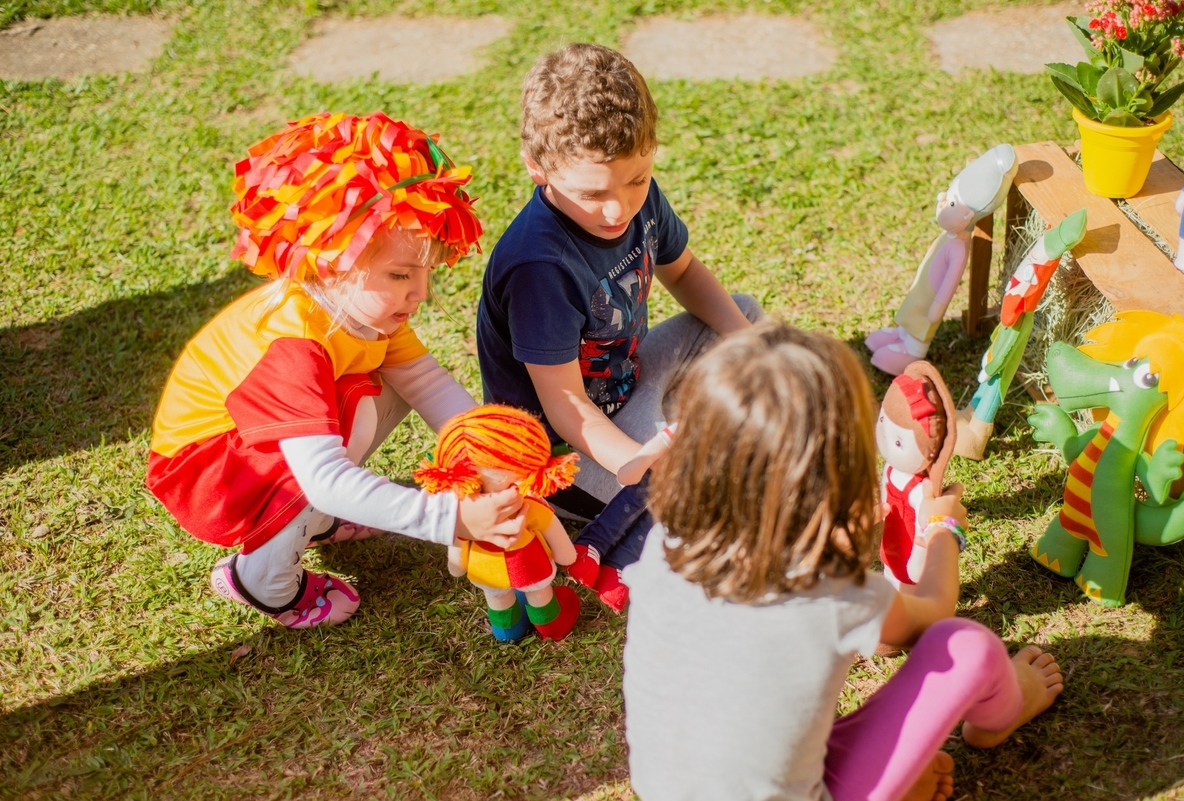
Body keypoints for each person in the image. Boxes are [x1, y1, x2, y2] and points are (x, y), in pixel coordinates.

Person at [623, 322, 1065, 801]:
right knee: (965, 644)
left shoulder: (665, 544)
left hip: (667, 789)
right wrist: (942, 530)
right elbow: (933, 612)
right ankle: (1003, 711)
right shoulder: (831, 589)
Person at [146, 112, 527, 629]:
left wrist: (491, 455)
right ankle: (260, 581)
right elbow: (324, 477)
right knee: (351, 414)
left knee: (374, 393)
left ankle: (312, 523)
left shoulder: (363, 312)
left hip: (256, 448)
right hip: (209, 474)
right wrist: (452, 518)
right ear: (332, 262)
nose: (420, 292)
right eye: (399, 274)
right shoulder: (292, 344)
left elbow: (426, 382)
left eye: (425, 272)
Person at [475, 43, 762, 605]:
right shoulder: (540, 264)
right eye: (592, 194)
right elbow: (566, 406)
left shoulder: (637, 196)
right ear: (538, 171)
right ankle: (661, 475)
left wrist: (753, 344)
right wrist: (635, 462)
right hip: (571, 457)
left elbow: (684, 273)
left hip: (628, 388)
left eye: (637, 179)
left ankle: (684, 442)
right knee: (700, 499)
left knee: (745, 315)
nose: (618, 209)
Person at [414, 405, 582, 642]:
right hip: (528, 563)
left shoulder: (465, 509)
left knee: (497, 598)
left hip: (486, 568)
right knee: (538, 592)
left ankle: (507, 633)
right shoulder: (529, 503)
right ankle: (551, 627)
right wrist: (566, 556)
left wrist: (457, 566)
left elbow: (459, 543)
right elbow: (550, 527)